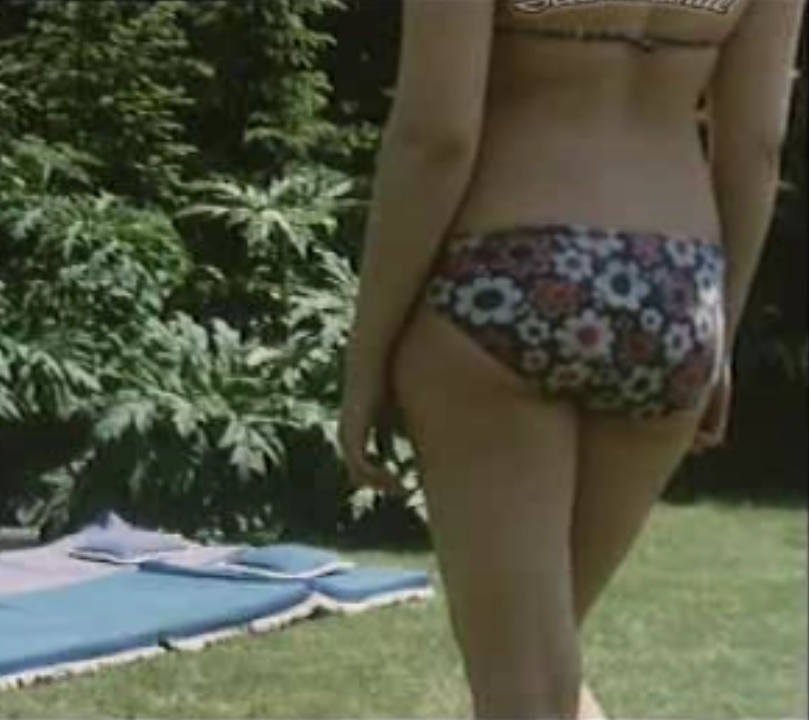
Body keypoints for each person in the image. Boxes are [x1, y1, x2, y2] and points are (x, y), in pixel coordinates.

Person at [339, 0, 803, 717]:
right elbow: (756, 147)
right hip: (674, 291)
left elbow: (437, 137)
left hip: (504, 275)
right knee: (545, 664)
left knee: (523, 685)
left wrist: (366, 356)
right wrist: (721, 333)